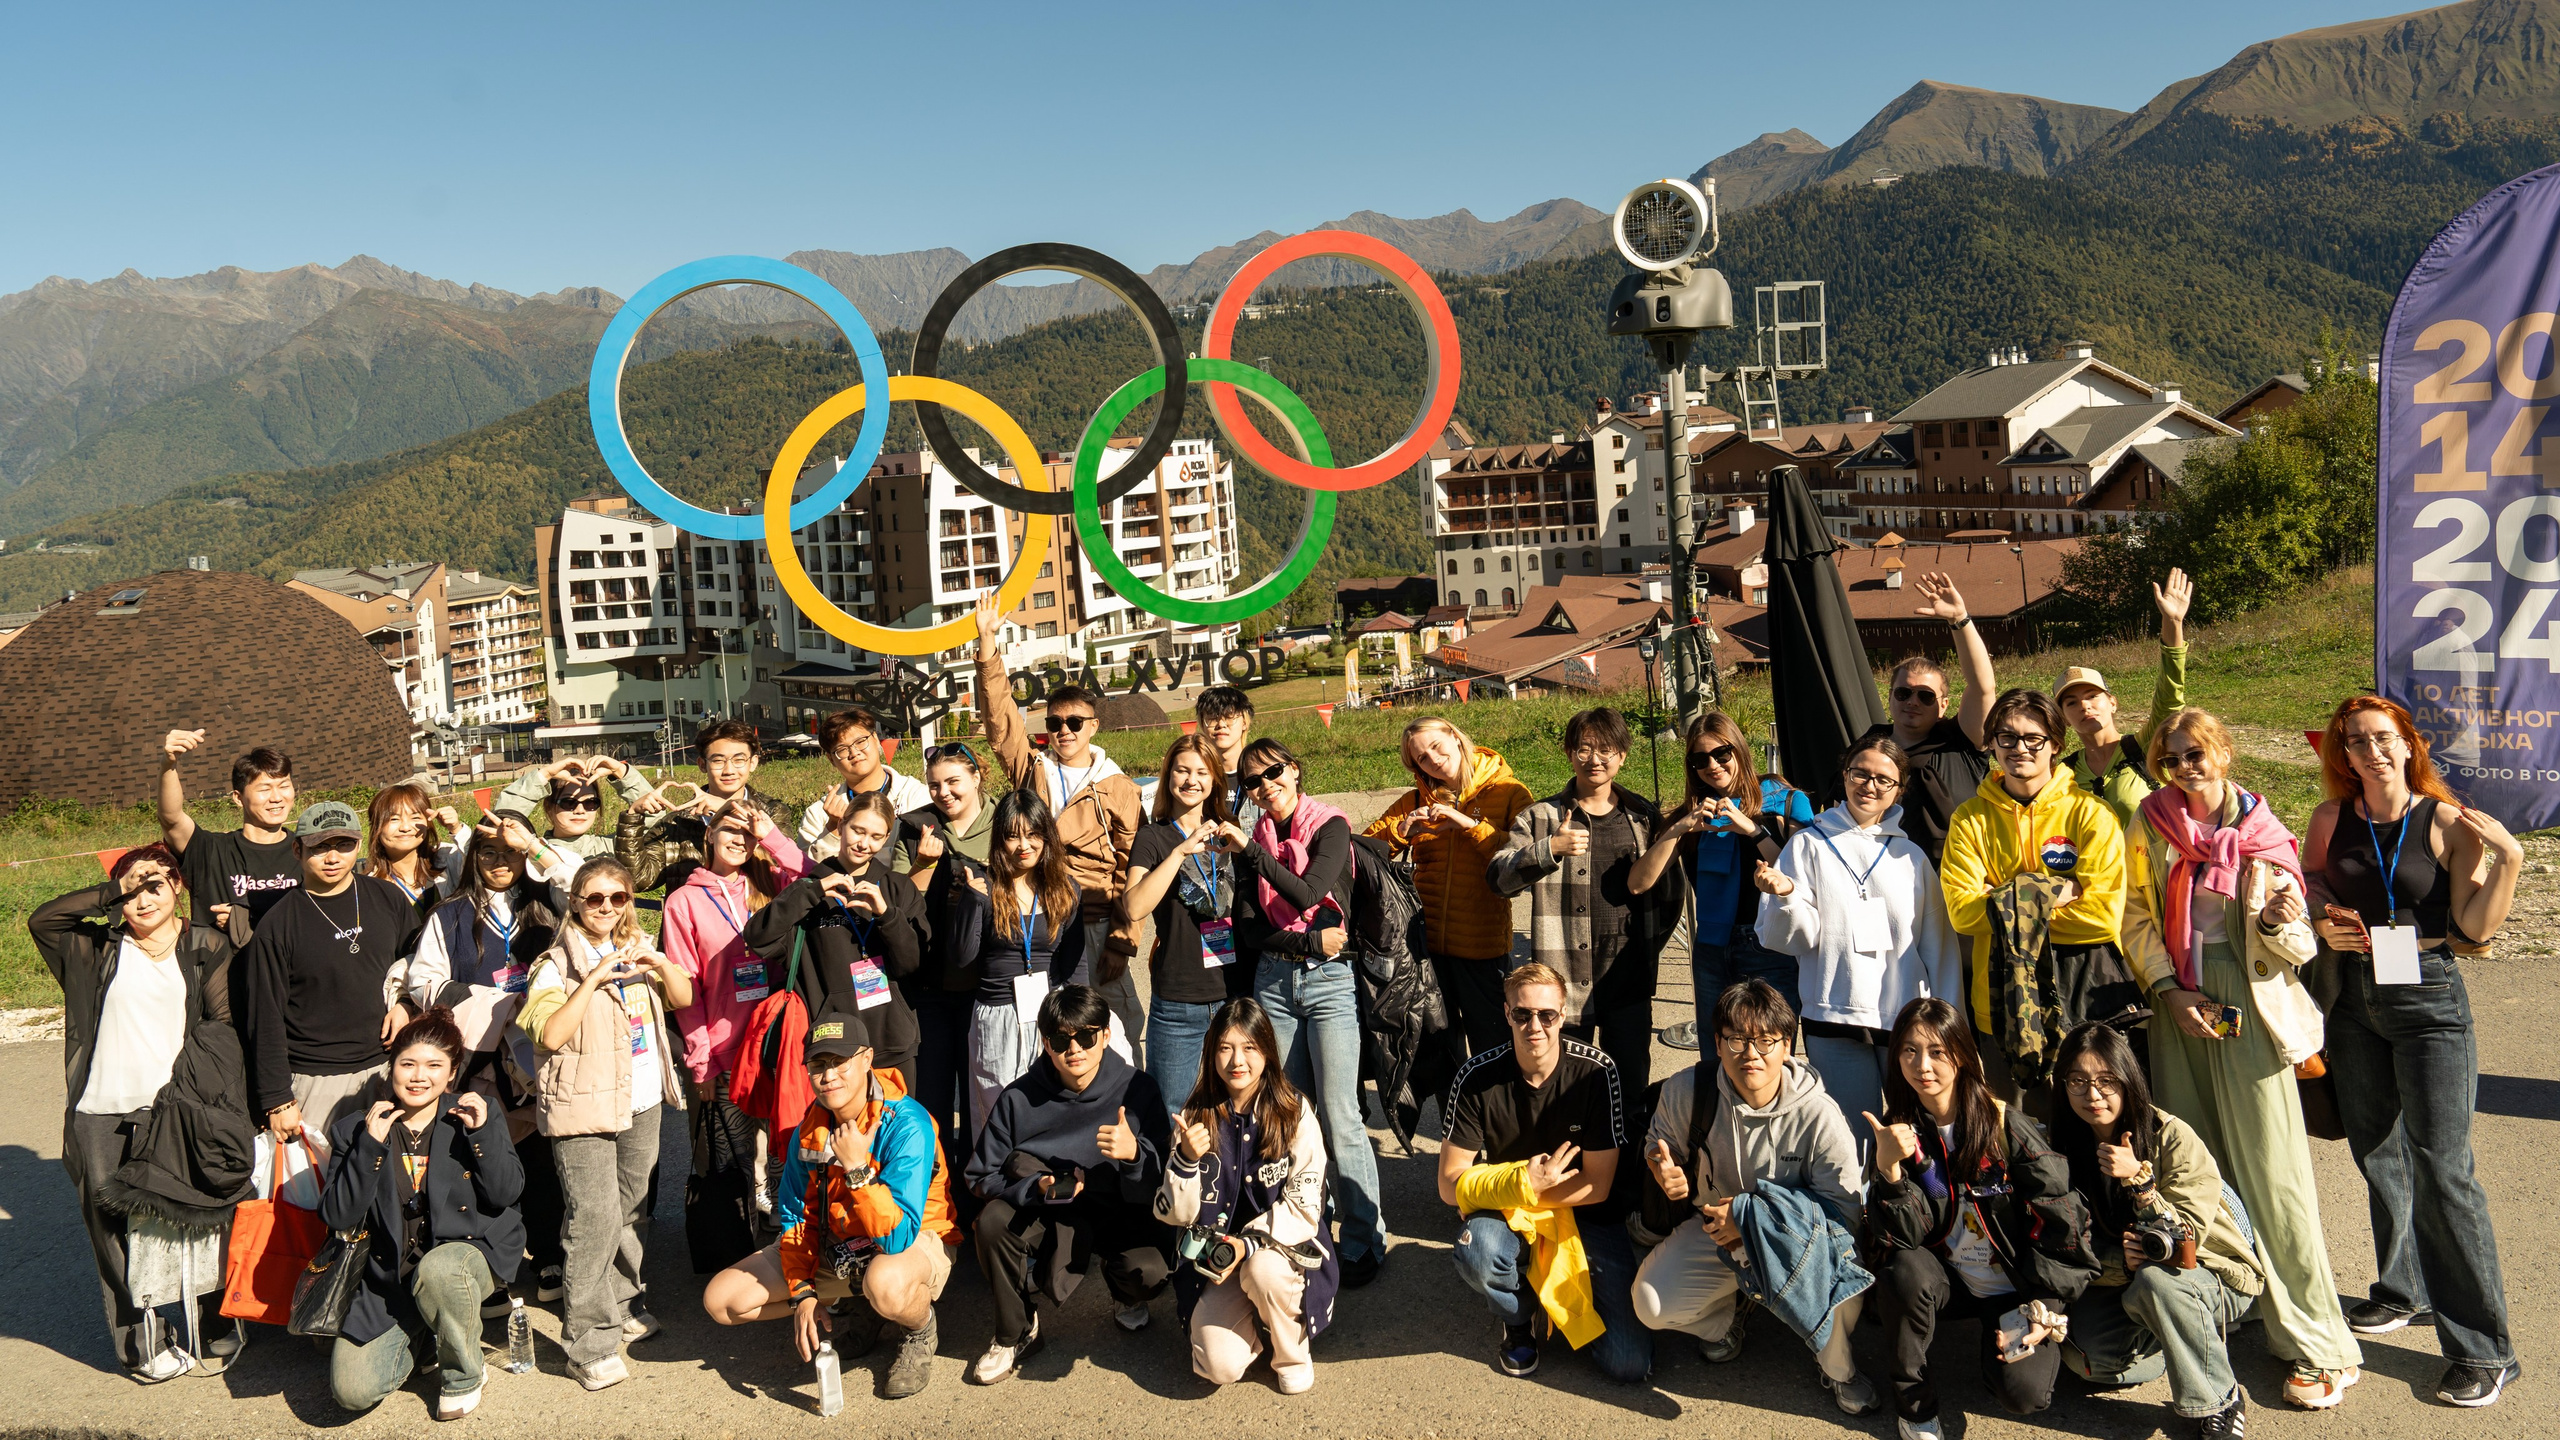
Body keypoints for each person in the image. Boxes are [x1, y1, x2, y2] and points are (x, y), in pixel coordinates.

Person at [2118, 705, 2364, 1410]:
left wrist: (2281, 922)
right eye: (2169, 759)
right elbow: (2133, 915)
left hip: (2249, 1008)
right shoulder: (2150, 824)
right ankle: (2236, 1299)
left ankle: (2320, 1342)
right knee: (2199, 1168)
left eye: (2194, 754)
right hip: (2181, 1006)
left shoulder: (2262, 832)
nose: (2182, 768)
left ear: (2223, 753)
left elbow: (2301, 946)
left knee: (2274, 1175)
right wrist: (2168, 991)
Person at [2305, 695, 2521, 1407]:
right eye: (2355, 742)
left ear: (2407, 744)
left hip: (2428, 997)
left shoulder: (2446, 822)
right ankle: (2404, 1290)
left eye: (2382, 738)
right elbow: (2311, 882)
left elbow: (2473, 932)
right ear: (2343, 754)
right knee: (2377, 1150)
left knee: (2442, 1169)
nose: (2371, 752)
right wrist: (2322, 919)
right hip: (2352, 997)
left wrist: (2510, 860)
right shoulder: (2330, 818)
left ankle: (2485, 1350)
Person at [33, 845, 244, 1381]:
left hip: (174, 1109)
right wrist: (117, 888)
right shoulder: (95, 947)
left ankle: (211, 1320)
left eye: (154, 885)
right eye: (131, 890)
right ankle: (142, 1343)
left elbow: (220, 1026)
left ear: (177, 887)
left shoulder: (204, 945)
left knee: (193, 1213)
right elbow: (43, 919)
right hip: (100, 1110)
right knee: (110, 1228)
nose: (143, 898)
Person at [1633, 980, 1877, 1416]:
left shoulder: (1818, 1114)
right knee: (1651, 1302)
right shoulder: (1688, 1089)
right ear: (1717, 1044)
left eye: (1766, 1040)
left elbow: (1844, 1215)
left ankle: (1838, 1368)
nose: (1751, 1053)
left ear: (1788, 1046)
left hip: (1798, 1240)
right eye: (1736, 1040)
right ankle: (1727, 1319)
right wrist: (1661, 1167)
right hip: (1715, 1232)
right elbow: (1659, 1141)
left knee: (1848, 1283)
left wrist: (1751, 1217)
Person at [1864, 997, 2098, 1440]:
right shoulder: (1899, 1130)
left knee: (2023, 1395)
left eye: (1937, 1051)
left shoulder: (2005, 1126)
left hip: (2016, 1287)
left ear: (1961, 1055)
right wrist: (1889, 1171)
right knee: (1903, 1270)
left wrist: (2045, 1305)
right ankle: (1915, 1409)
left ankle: (2005, 1355)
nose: (1922, 1065)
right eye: (1909, 1050)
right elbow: (1903, 1236)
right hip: (1948, 1280)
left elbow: (2062, 1223)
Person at [701, 1007, 961, 1402]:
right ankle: (865, 1303)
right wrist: (802, 1292)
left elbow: (898, 1236)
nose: (828, 1075)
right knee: (722, 1300)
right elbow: (794, 1216)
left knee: (885, 1284)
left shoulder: (907, 1122)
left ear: (867, 1059)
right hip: (841, 1243)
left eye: (840, 1061)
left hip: (911, 1241)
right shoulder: (810, 1127)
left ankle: (918, 1327)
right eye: (818, 1064)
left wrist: (857, 1170)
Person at [515, 856, 695, 1390]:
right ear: (574, 902)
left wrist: (659, 962)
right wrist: (592, 978)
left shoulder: (637, 950)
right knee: (592, 1219)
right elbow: (549, 1034)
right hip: (583, 1106)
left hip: (641, 1098)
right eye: (595, 898)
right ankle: (589, 1341)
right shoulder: (553, 964)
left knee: (632, 1210)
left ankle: (623, 1300)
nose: (607, 908)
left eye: (619, 898)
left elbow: (683, 999)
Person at [1438, 962, 1650, 1384]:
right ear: (1507, 1013)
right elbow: (1448, 1183)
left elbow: (1598, 1185)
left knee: (1629, 1363)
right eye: (1522, 1014)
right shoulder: (1475, 1075)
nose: (1534, 1026)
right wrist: (1521, 1183)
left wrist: (1523, 1191)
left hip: (1585, 1212)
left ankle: (1554, 1291)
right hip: (1509, 1211)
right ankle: (1518, 1316)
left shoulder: (1597, 1071)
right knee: (1478, 1251)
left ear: (1563, 1015)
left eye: (1547, 1015)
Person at [2050, 1022, 2260, 1439]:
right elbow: (2065, 1241)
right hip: (2125, 1280)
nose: (2093, 1094)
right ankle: (2185, 1343)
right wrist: (2120, 1262)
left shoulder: (2172, 1136)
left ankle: (2220, 1399)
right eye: (2078, 1081)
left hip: (2211, 1274)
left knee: (2156, 1280)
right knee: (2091, 1361)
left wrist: (2140, 1182)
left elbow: (2187, 1238)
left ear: (2128, 1079)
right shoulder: (2061, 1144)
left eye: (2106, 1080)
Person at [1229, 737, 1386, 1286]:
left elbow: (1308, 894)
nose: (1265, 786)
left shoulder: (1329, 826)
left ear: (1294, 770)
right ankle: (1309, 1226)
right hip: (1274, 983)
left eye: (1273, 772)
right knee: (1291, 1115)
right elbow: (1251, 930)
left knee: (1341, 1115)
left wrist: (1252, 855)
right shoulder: (1255, 838)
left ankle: (1366, 1238)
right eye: (1252, 781)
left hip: (1329, 984)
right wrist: (1305, 943)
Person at [1756, 736, 1966, 1138]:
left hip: (1907, 1022)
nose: (1870, 785)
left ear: (1899, 790)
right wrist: (1785, 896)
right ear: (1845, 775)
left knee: (1920, 1134)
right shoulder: (1807, 845)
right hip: (1833, 1016)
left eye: (1883, 779)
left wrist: (1951, 1026)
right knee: (1851, 1141)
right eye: (1860, 774)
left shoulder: (1911, 857)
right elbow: (1791, 940)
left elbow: (1938, 948)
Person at [319, 1008, 525, 1420]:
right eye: (408, 1064)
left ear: (452, 1073)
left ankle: (465, 1375)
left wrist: (481, 1134)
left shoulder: (474, 1113)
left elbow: (506, 1193)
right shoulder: (356, 1128)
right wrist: (369, 1148)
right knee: (352, 1391)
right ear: (391, 1067)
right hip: (390, 1278)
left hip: (466, 1258)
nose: (418, 1076)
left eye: (434, 1066)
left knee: (440, 1269)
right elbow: (338, 1217)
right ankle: (428, 1334)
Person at [1938, 688, 2132, 1120]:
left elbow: (2101, 917)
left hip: (2082, 1001)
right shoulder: (1970, 820)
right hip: (2001, 1010)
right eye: (2006, 737)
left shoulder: (2092, 815)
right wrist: (2050, 892)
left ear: (2056, 745)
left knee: (2094, 1129)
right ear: (1991, 744)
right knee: (2017, 1135)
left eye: (2033, 738)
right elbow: (1963, 913)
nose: (2019, 748)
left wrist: (2001, 895)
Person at [966, 985, 1174, 1384]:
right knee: (992, 1222)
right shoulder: (1018, 1098)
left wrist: (1134, 1155)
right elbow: (979, 1175)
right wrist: (1035, 1187)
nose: (1074, 1049)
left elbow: (1165, 1181)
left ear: (1106, 1035)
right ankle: (1016, 1330)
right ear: (1046, 1043)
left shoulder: (1138, 1088)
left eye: (1086, 1037)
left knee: (1149, 1271)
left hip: (1117, 1208)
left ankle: (1125, 1294)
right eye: (1061, 1040)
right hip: (1050, 1211)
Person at [396, 831, 567, 1307]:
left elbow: (579, 885)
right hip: (478, 1057)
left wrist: (537, 850)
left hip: (534, 1054)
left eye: (512, 851)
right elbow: (423, 981)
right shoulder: (449, 914)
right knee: (479, 1159)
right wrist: (492, 1002)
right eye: (488, 851)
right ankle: (490, 1267)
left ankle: (549, 1254)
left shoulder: (548, 906)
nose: (500, 860)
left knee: (541, 1158)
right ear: (473, 856)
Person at [973, 598, 1146, 1055]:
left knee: (1115, 1030)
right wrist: (987, 644)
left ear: (1094, 726)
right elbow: (1001, 723)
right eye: (1055, 722)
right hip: (1040, 918)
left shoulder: (1118, 786)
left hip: (1096, 922)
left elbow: (1133, 870)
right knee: (1047, 1032)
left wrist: (1122, 941)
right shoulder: (1032, 770)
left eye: (1074, 722)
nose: (1064, 730)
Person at [1489, 706, 1680, 1097]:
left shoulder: (1643, 816)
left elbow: (1669, 892)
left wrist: (1649, 947)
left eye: (1606, 749)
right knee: (1567, 1092)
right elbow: (1498, 880)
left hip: (1627, 975)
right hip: (1563, 979)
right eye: (1584, 749)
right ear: (1569, 753)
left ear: (1622, 755)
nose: (1595, 759)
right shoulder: (1541, 817)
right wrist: (1549, 850)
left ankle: (1626, 1141)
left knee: (1630, 1086)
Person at [1154, 997, 1337, 1394]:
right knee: (1217, 1366)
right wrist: (1185, 1160)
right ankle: (1255, 1319)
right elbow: (1174, 1214)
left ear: (1267, 1051)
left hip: (1279, 1255)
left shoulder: (1295, 1111)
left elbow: (1306, 1206)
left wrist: (1247, 1244)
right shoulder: (1195, 1115)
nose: (1237, 1060)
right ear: (1211, 1053)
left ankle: (1290, 1352)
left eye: (1249, 1047)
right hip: (1215, 1263)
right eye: (1225, 1048)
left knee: (1262, 1271)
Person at [237, 800, 425, 1148]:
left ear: (359, 845)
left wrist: (406, 1005)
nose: (333, 857)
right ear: (297, 850)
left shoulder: (388, 898)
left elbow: (419, 965)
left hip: (391, 1068)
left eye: (344, 845)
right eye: (320, 847)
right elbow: (264, 1016)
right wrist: (278, 1099)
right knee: (322, 1177)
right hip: (316, 1078)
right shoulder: (277, 925)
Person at [1629, 711, 1811, 1043]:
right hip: (1711, 948)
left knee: (1768, 1049)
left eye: (1721, 754)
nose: (1712, 765)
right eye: (1700, 759)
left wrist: (1752, 830)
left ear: (1738, 749)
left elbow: (1803, 877)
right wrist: (1680, 828)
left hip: (1769, 944)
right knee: (1716, 1052)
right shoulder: (1695, 813)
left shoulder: (1784, 800)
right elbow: (1639, 883)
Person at [1362, 716, 1533, 1057]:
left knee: (1494, 1051)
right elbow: (1363, 848)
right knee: (1439, 1055)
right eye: (1422, 758)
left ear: (1455, 737)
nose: (1434, 760)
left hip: (1481, 949)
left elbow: (1526, 859)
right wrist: (1402, 831)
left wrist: (1469, 825)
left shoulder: (1509, 791)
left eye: (1436, 746)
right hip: (1426, 950)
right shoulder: (1416, 800)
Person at [960, 790, 1117, 1134]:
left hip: (1054, 1013)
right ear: (999, 839)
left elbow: (1075, 965)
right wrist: (972, 902)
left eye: (1033, 834)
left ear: (1047, 836)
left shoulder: (1065, 889)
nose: (1024, 845)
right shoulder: (985, 887)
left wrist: (1081, 1018)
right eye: (1012, 836)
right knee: (1000, 1114)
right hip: (999, 1017)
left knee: (1057, 1108)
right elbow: (963, 958)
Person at [750, 792, 929, 1090]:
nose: (863, 843)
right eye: (858, 830)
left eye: (875, 836)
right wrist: (812, 892)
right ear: (842, 825)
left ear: (887, 838)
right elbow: (758, 938)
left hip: (891, 1041)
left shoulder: (898, 888)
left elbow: (913, 964)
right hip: (829, 1047)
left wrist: (886, 915)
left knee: (894, 1121)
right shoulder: (809, 888)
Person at [1118, 734, 1247, 1113]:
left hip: (1234, 994)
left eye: (1202, 772)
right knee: (1173, 1112)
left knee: (1236, 1110)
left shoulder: (1230, 830)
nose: (1191, 780)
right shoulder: (1153, 837)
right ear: (1168, 776)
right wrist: (1179, 852)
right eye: (1182, 771)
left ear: (1215, 779)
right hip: (1179, 1003)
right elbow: (1134, 906)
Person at [1841, 572, 1996, 863]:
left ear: (1943, 705)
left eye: (1925, 696)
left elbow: (1982, 686)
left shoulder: (1961, 741)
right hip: (1880, 872)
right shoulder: (1867, 750)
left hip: (1958, 874)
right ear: (1890, 697)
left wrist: (1959, 620)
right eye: (1903, 693)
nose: (1912, 701)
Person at [909, 742, 996, 1187]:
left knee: (985, 1098)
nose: (943, 792)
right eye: (934, 785)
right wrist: (924, 865)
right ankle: (938, 1199)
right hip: (931, 987)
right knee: (933, 1101)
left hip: (990, 986)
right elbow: (898, 901)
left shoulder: (1006, 823)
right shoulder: (914, 828)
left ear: (977, 777)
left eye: (953, 781)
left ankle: (983, 1191)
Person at [2056, 569, 2193, 831]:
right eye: (2071, 702)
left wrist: (2173, 622)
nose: (2084, 705)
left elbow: (2169, 699)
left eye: (2092, 695)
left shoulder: (2144, 748)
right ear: (2064, 717)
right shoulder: (2065, 774)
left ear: (2113, 703)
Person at [616, 719, 786, 895]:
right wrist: (632, 817)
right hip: (689, 912)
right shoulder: (677, 823)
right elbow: (637, 880)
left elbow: (783, 868)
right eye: (718, 760)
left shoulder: (773, 812)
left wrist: (727, 809)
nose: (729, 770)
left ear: (753, 762)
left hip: (758, 911)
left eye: (739, 760)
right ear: (702, 764)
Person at [156, 730, 300, 932]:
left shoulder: (307, 852)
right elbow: (171, 819)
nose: (277, 797)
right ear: (238, 798)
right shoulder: (211, 852)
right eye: (265, 789)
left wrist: (245, 919)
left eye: (284, 786)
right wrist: (168, 765)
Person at [798, 706, 933, 865]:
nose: (854, 753)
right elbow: (806, 869)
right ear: (831, 759)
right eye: (842, 749)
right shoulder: (819, 813)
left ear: (875, 739)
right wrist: (833, 828)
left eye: (861, 742)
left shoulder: (916, 797)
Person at [492, 755, 626, 884]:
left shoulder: (613, 846)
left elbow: (640, 821)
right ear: (549, 807)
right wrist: (544, 775)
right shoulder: (531, 849)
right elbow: (500, 824)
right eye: (569, 803)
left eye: (590, 803)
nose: (580, 810)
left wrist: (622, 772)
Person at [363, 783, 465, 918]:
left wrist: (457, 830)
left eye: (415, 817)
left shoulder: (447, 859)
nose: (405, 827)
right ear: (376, 826)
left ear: (428, 823)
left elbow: (481, 866)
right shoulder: (368, 887)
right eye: (394, 819)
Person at [1193, 684, 1261, 827]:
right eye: (1212, 717)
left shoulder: (1264, 773)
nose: (1221, 724)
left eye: (1230, 717)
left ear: (1244, 723)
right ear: (1202, 725)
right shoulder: (1194, 777)